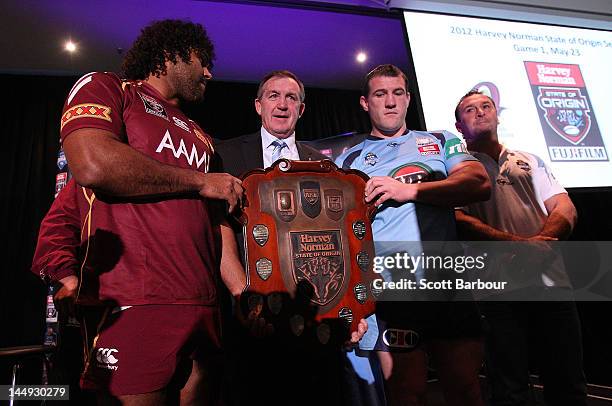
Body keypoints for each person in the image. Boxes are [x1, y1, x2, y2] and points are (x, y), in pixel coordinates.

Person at [52, 19, 246, 405]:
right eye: (201, 60)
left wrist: (242, 291)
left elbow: (216, 221)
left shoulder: (202, 136)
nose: (209, 72)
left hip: (204, 308)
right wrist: (200, 181)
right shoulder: (108, 88)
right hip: (135, 302)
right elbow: (91, 162)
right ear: (170, 54)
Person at [335, 64, 491, 406]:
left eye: (398, 93)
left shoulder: (438, 141)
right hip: (393, 292)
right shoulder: (349, 161)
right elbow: (342, 235)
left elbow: (479, 183)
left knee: (466, 389)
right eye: (380, 94)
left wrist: (407, 191)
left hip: (447, 286)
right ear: (365, 103)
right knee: (406, 392)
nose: (390, 102)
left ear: (407, 99)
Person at [214, 70, 368, 406]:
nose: (282, 104)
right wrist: (244, 297)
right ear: (258, 106)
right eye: (273, 96)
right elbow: (218, 227)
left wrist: (350, 309)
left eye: (291, 98)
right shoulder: (225, 154)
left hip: (315, 319)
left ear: (302, 109)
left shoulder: (323, 164)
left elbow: (341, 239)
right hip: (251, 318)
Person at [454, 90, 587, 406]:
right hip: (497, 290)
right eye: (470, 110)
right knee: (509, 387)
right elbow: (458, 219)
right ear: (459, 126)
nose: (481, 112)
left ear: (498, 115)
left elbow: (564, 208)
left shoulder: (529, 159)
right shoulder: (457, 169)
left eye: (487, 106)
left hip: (550, 283)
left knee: (567, 380)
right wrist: (517, 246)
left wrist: (541, 245)